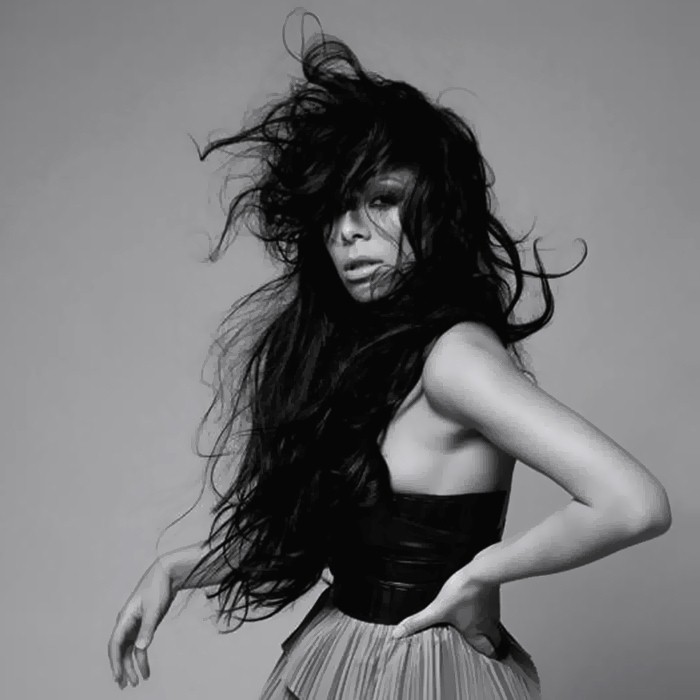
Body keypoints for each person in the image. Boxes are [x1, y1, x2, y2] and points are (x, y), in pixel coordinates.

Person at [107, 12, 672, 699]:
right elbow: (344, 531)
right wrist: (176, 568)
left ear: (436, 210)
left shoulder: (456, 360)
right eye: (334, 209)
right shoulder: (376, 352)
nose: (350, 232)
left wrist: (481, 573)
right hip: (340, 649)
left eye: (383, 200)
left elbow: (634, 503)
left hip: (417, 668)